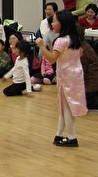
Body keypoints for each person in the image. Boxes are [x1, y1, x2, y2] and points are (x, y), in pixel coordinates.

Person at [36, 10, 88, 147]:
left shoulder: (61, 41)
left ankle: (71, 137)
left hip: (66, 76)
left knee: (66, 108)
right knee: (65, 107)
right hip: (75, 75)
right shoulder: (74, 39)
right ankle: (59, 134)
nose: (52, 24)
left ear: (62, 23)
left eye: (54, 21)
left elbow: (52, 59)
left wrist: (41, 46)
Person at [78, 27, 98, 113]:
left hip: (94, 83)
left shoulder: (82, 50)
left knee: (80, 101)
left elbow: (81, 70)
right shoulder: (84, 46)